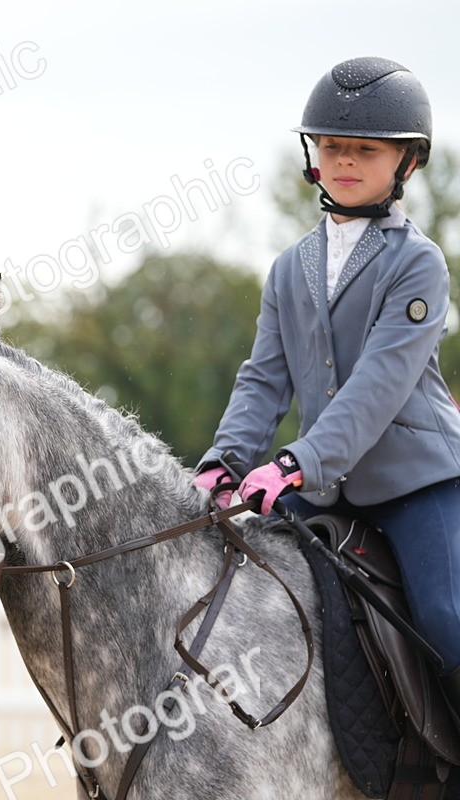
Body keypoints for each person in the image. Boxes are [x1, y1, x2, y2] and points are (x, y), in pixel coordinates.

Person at [194, 57, 460, 720]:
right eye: (332, 147)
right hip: (322, 492)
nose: (344, 161)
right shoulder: (290, 267)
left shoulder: (419, 264)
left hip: (416, 485)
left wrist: (292, 463)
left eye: (365, 150)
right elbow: (262, 378)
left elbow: (379, 386)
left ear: (408, 163)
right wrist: (224, 463)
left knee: (446, 616)